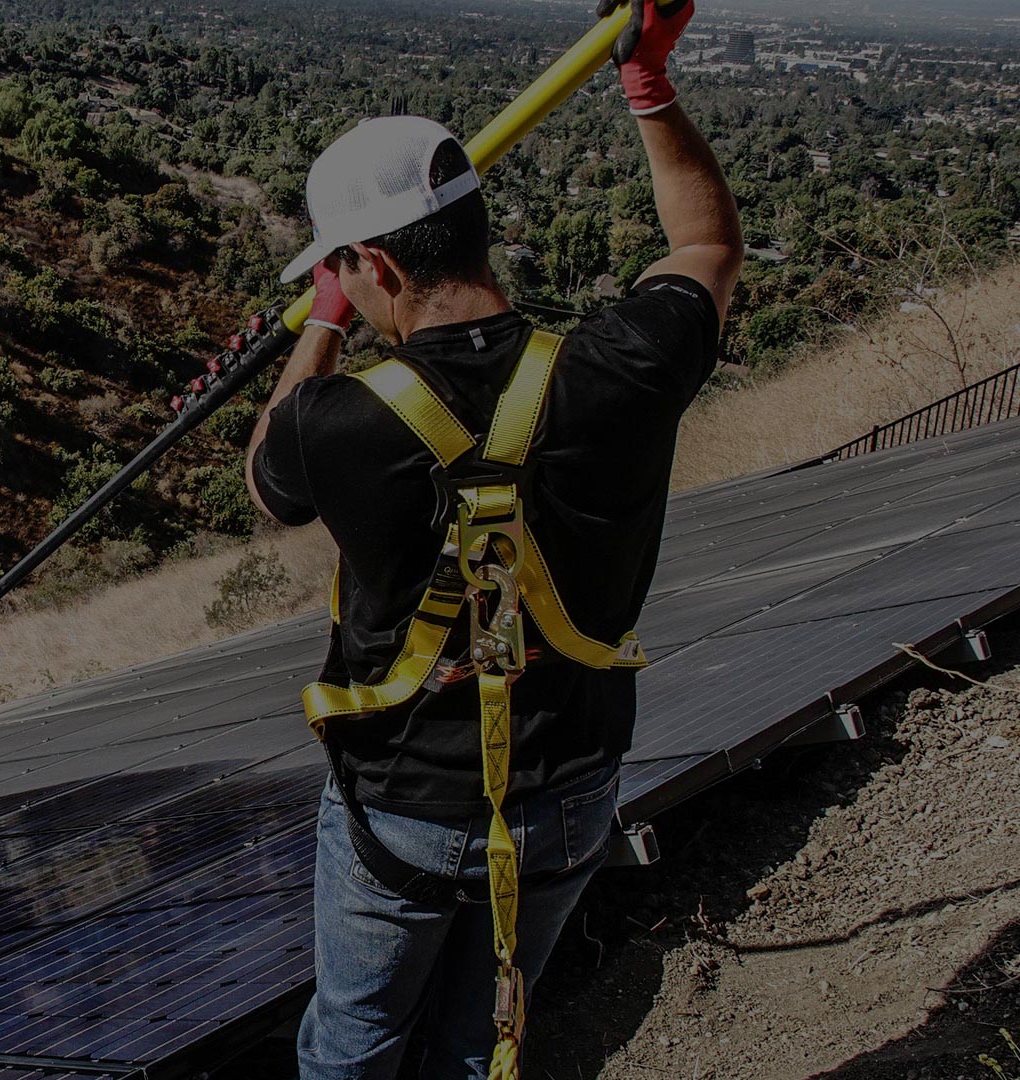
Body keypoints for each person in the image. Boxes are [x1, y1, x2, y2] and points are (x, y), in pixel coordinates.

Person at [245, 2, 741, 1077]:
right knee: (480, 1045)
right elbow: (704, 244)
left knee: (356, 1044)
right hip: (569, 794)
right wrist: (648, 84)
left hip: (405, 810)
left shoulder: (342, 426)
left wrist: (322, 320)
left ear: (372, 263)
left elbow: (266, 476)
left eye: (351, 274)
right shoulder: (622, 369)